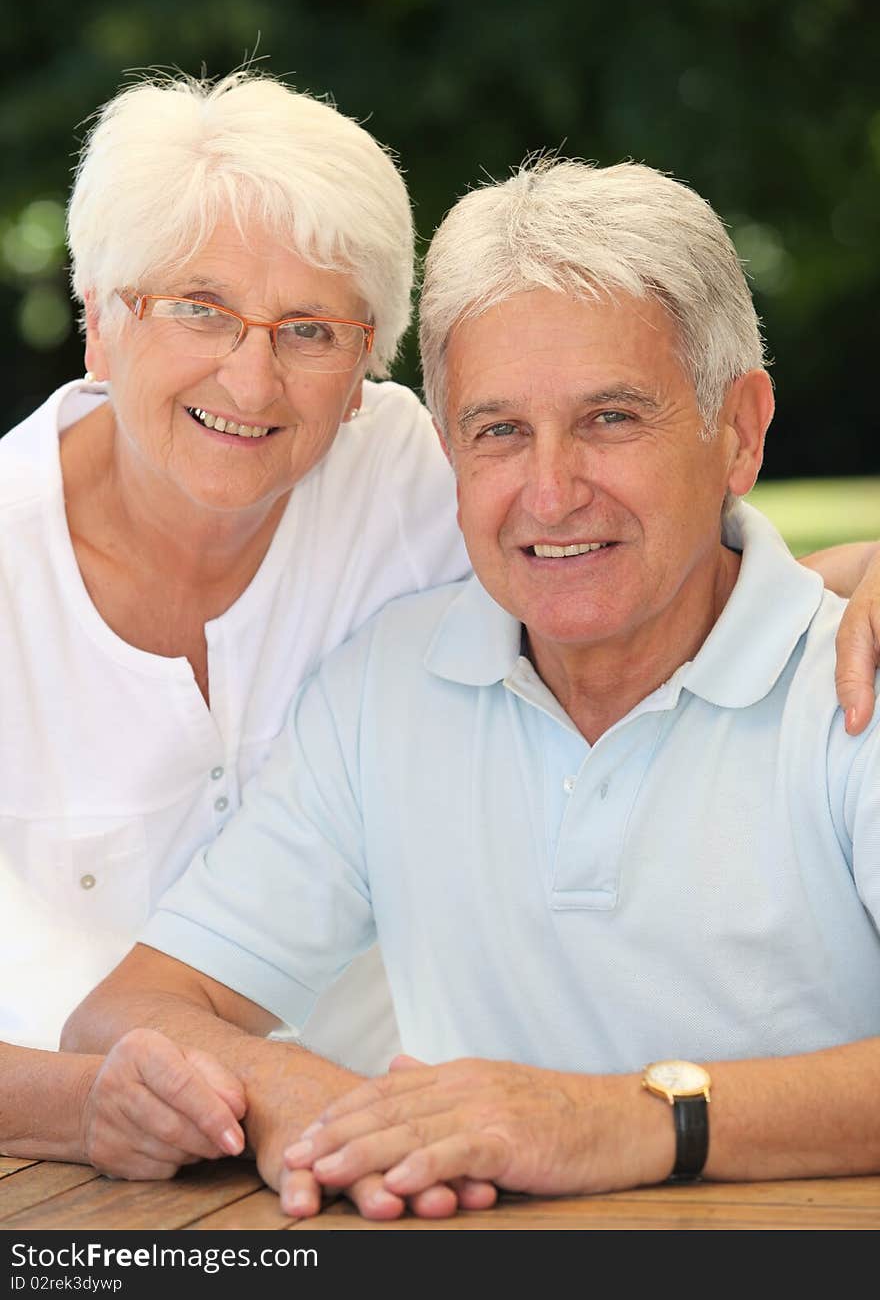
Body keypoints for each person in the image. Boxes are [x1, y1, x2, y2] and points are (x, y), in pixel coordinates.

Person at [64, 156, 880, 1219]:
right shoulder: (386, 687)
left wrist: (624, 1118)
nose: (549, 491)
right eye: (498, 432)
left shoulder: (854, 682)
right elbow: (132, 1008)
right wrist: (306, 1100)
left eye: (610, 419)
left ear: (740, 430)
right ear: (447, 446)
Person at [0, 66, 472, 1175]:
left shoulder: (413, 474)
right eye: (198, 309)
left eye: (310, 329)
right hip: (66, 1192)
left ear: (364, 367)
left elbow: (677, 576)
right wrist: (84, 1109)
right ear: (100, 325)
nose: (251, 379)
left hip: (395, 1156)